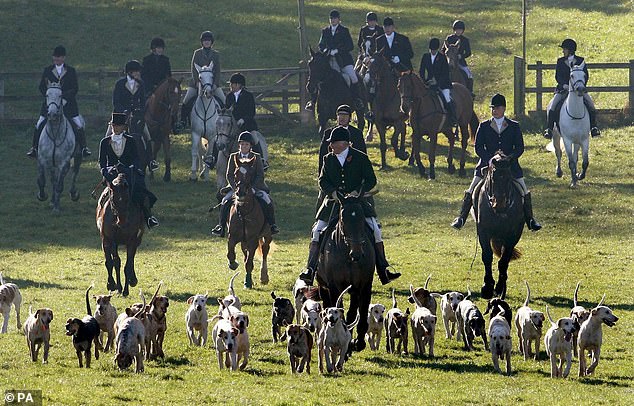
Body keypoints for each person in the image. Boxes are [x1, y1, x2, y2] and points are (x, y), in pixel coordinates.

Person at [298, 126, 401, 286]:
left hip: (357, 203)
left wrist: (357, 191)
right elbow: (322, 180)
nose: (330, 146)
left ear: (344, 143)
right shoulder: (328, 158)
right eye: (331, 143)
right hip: (334, 204)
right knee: (317, 231)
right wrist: (332, 193)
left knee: (375, 229)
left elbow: (371, 180)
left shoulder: (360, 157)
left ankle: (384, 269)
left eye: (333, 143)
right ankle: (310, 269)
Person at [450, 94, 541, 232]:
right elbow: (478, 147)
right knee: (472, 187)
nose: (494, 110)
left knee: (523, 189)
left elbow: (520, 148)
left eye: (497, 108)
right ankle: (461, 218)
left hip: (510, 166)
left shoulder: (514, 126)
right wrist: (490, 158)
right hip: (487, 165)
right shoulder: (484, 125)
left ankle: (530, 219)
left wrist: (508, 158)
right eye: (492, 108)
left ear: (503, 108)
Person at [211, 131, 279, 237]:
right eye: (242, 144)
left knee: (267, 200)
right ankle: (221, 226)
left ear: (250, 146)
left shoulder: (256, 157)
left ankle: (272, 225)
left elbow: (260, 175)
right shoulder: (233, 156)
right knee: (224, 201)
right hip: (237, 188)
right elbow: (229, 175)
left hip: (254, 188)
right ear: (239, 145)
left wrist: (252, 188)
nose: (244, 146)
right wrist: (235, 188)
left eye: (246, 144)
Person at [28, 45, 90, 158]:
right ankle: (34, 148)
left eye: (58, 58)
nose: (56, 60)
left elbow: (75, 88)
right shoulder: (47, 70)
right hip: (50, 104)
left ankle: (83, 147)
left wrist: (64, 98)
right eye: (55, 58)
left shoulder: (71, 71)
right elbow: (42, 87)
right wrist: (49, 98)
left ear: (63, 58)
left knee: (78, 124)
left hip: (68, 104)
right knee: (39, 123)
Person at [99, 112, 159, 229]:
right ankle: (100, 217)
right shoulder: (104, 142)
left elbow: (135, 158)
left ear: (123, 127)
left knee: (139, 191)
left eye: (117, 126)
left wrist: (133, 168)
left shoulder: (130, 141)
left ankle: (148, 217)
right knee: (104, 197)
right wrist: (105, 172)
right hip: (112, 174)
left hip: (128, 173)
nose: (115, 128)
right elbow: (102, 162)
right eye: (113, 126)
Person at [307, 9, 363, 111]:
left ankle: (357, 100)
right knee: (317, 76)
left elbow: (350, 46)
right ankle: (313, 101)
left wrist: (338, 50)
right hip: (328, 60)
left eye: (335, 19)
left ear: (338, 20)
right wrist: (325, 50)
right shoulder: (325, 31)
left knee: (353, 77)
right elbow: (321, 44)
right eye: (331, 19)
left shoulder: (344, 31)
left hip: (343, 60)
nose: (333, 20)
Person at [544, 38, 600, 139]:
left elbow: (585, 75)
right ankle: (549, 129)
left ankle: (593, 127)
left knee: (591, 105)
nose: (563, 51)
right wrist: (564, 85)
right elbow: (558, 76)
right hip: (563, 89)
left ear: (570, 50)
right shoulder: (560, 61)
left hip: (579, 89)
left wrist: (580, 86)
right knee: (553, 106)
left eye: (564, 49)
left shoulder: (580, 61)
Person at [110, 60, 158, 172]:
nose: (138, 74)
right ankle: (109, 162)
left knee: (147, 136)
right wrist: (124, 110)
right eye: (136, 72)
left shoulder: (141, 84)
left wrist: (139, 111)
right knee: (108, 135)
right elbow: (116, 101)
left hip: (136, 116)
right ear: (130, 72)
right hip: (120, 115)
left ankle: (151, 161)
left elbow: (142, 101)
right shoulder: (120, 84)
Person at [179, 31, 225, 129]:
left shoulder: (216, 54)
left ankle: (227, 122)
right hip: (198, 82)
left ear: (211, 42)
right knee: (186, 100)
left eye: (208, 40)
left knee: (224, 100)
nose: (207, 42)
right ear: (202, 42)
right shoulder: (197, 53)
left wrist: (215, 84)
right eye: (205, 41)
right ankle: (183, 121)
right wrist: (196, 82)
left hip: (212, 83)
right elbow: (193, 68)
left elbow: (218, 70)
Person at [419, 38, 456, 125]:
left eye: (434, 50)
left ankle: (452, 118)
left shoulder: (442, 57)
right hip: (429, 83)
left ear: (437, 49)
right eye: (431, 50)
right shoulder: (425, 57)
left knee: (447, 98)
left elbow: (445, 73)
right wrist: (424, 81)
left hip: (443, 84)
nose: (433, 52)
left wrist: (437, 82)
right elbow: (421, 71)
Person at [441, 20, 473, 94]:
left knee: (469, 75)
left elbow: (468, 52)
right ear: (454, 30)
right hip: (449, 61)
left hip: (460, 62)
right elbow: (443, 50)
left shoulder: (465, 40)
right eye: (457, 30)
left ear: (462, 31)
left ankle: (470, 92)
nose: (458, 31)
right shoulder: (449, 38)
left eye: (460, 30)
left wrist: (461, 56)